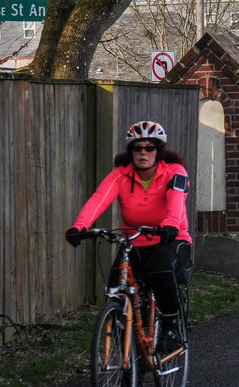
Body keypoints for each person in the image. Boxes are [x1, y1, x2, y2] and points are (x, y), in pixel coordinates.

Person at [65, 120, 192, 353]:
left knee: (159, 269)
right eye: (137, 148)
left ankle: (171, 327)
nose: (143, 152)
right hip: (135, 241)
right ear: (130, 152)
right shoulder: (121, 176)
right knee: (116, 285)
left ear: (159, 150)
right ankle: (127, 354)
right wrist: (80, 226)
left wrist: (171, 224)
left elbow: (176, 200)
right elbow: (98, 199)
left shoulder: (175, 172)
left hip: (171, 239)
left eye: (149, 147)